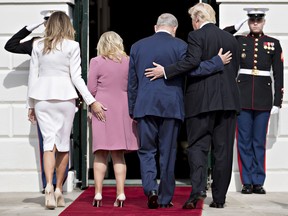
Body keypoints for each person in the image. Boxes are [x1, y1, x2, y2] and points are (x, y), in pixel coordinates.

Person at [129, 12, 234, 209]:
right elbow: (193, 69)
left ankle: (151, 189)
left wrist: (132, 109)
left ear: (155, 26)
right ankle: (165, 198)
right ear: (175, 29)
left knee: (146, 151)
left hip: (144, 106)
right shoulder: (180, 46)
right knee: (168, 153)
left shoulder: (137, 46)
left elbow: (132, 82)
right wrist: (217, 62)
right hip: (171, 107)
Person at [27, 11, 100, 210]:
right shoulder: (72, 45)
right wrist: (91, 100)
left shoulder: (38, 46)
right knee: (62, 144)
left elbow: (32, 77)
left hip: (42, 97)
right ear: (67, 25)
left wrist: (30, 105)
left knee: (48, 144)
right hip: (65, 97)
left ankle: (48, 187)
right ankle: (59, 189)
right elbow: (77, 77)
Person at [3, 10, 69, 194]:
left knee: (59, 143)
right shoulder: (37, 44)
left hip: (58, 98)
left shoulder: (68, 44)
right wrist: (35, 25)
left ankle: (57, 183)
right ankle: (51, 184)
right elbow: (10, 45)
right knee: (48, 143)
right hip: (45, 99)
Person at [227, 8, 284, 195]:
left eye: (258, 20)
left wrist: (277, 102)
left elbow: (278, 74)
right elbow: (222, 35)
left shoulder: (273, 44)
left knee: (258, 142)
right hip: (242, 98)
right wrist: (236, 26)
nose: (255, 23)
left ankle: (258, 181)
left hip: (263, 99)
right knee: (243, 141)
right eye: (252, 20)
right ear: (248, 22)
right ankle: (247, 182)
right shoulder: (239, 41)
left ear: (264, 21)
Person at [87, 31, 139, 208]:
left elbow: (91, 88)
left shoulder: (96, 61)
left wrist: (91, 106)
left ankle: (98, 193)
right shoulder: (129, 61)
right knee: (118, 154)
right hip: (123, 108)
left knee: (100, 153)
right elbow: (134, 85)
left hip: (102, 108)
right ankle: (121, 193)